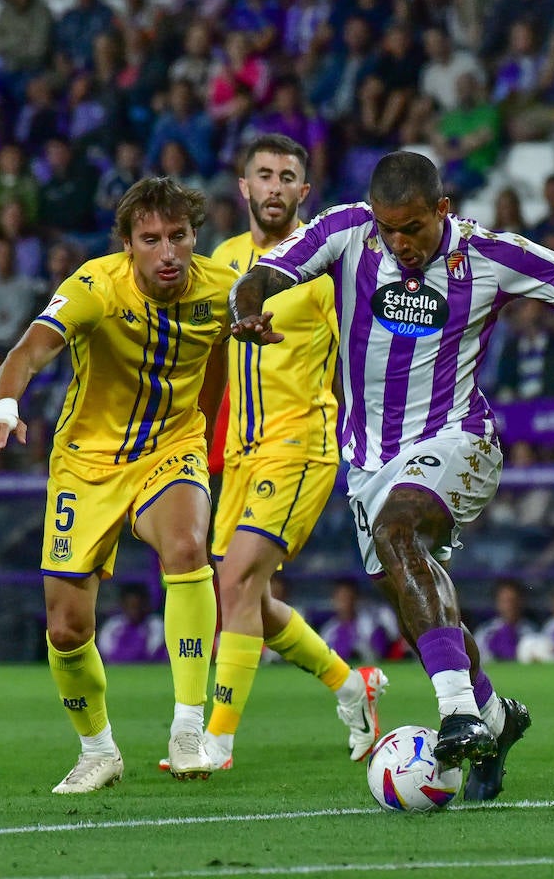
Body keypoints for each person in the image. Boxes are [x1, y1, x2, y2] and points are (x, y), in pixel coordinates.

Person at [229, 150, 554, 800]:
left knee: (400, 534)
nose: (399, 243)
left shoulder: (488, 254)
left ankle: (458, 715)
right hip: (368, 458)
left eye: (413, 229)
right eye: (388, 230)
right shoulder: (346, 229)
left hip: (458, 438)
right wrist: (248, 308)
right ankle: (494, 716)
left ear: (443, 210)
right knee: (417, 606)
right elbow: (262, 274)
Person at [0, 178, 233, 793]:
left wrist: (202, 436)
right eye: (151, 240)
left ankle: (190, 727)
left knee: (187, 549)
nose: (168, 252)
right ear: (127, 245)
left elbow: (219, 360)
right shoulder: (94, 286)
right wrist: (6, 408)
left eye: (179, 237)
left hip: (171, 449)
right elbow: (30, 350)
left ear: (194, 237)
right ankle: (98, 751)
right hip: (86, 464)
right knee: (66, 629)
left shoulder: (222, 291)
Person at [205, 134, 387, 770]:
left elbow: (362, 354)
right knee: (240, 596)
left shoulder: (322, 266)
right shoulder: (223, 260)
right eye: (264, 175)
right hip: (238, 452)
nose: (275, 186)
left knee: (234, 582)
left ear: (304, 193)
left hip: (301, 443)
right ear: (244, 187)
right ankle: (350, 684)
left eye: (287, 176)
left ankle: (216, 742)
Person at [97, 583, 165, 664]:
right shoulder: (113, 625)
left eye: (137, 606)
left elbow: (152, 652)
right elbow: (106, 652)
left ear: (145, 605)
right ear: (123, 605)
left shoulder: (155, 624)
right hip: (117, 668)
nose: (134, 611)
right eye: (130, 606)